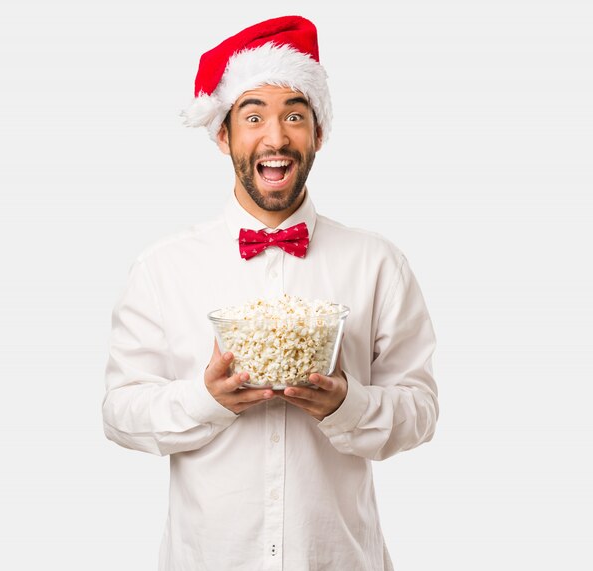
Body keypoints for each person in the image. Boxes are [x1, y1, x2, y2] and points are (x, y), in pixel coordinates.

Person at [103, 15, 438, 571]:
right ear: (223, 134)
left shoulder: (377, 263)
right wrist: (205, 401)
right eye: (253, 115)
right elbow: (119, 413)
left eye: (295, 117)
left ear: (319, 134)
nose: (276, 137)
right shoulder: (163, 268)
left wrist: (347, 404)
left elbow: (421, 410)